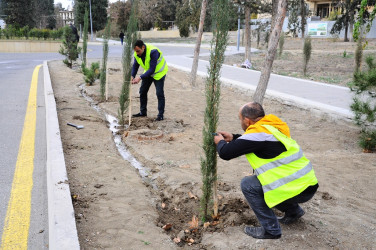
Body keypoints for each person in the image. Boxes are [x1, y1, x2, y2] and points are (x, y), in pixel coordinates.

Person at [213, 102, 319, 239]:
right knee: (271, 183)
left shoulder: (257, 135)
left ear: (247, 120)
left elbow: (226, 153)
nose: (240, 122)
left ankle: (271, 230)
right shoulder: (272, 127)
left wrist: (219, 142)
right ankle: (294, 212)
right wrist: (234, 137)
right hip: (307, 185)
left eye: (240, 118)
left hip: (296, 190)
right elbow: (257, 143)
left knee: (249, 184)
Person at [131, 40, 168, 121]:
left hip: (159, 72)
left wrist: (140, 77)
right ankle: (143, 112)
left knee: (159, 93)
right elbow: (135, 65)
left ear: (143, 47)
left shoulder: (153, 51)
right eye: (135, 51)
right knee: (142, 91)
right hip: (148, 73)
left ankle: (160, 115)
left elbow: (152, 69)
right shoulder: (136, 53)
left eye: (138, 51)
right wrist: (132, 75)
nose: (137, 53)